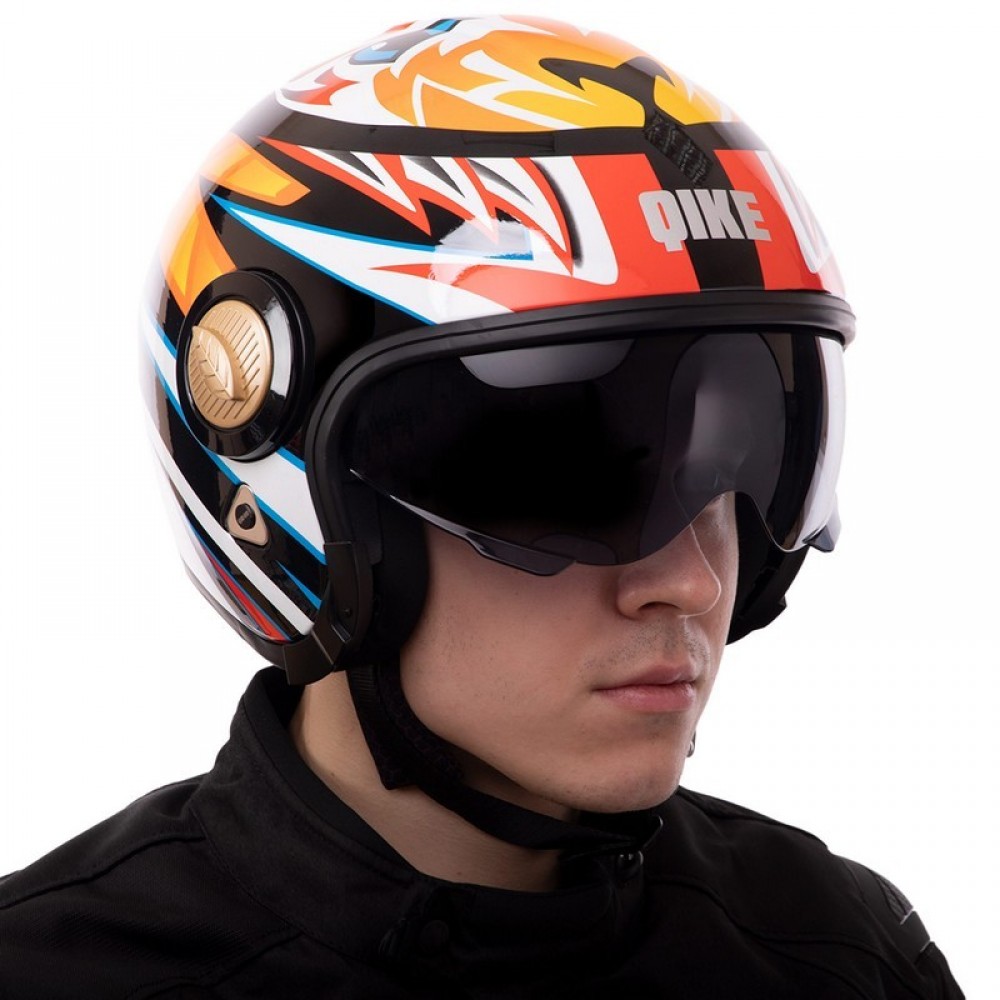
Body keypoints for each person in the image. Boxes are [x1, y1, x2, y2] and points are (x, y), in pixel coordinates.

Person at [0, 15, 964, 998]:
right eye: (576, 486)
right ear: (298, 498)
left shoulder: (836, 952)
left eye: (725, 481)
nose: (691, 583)